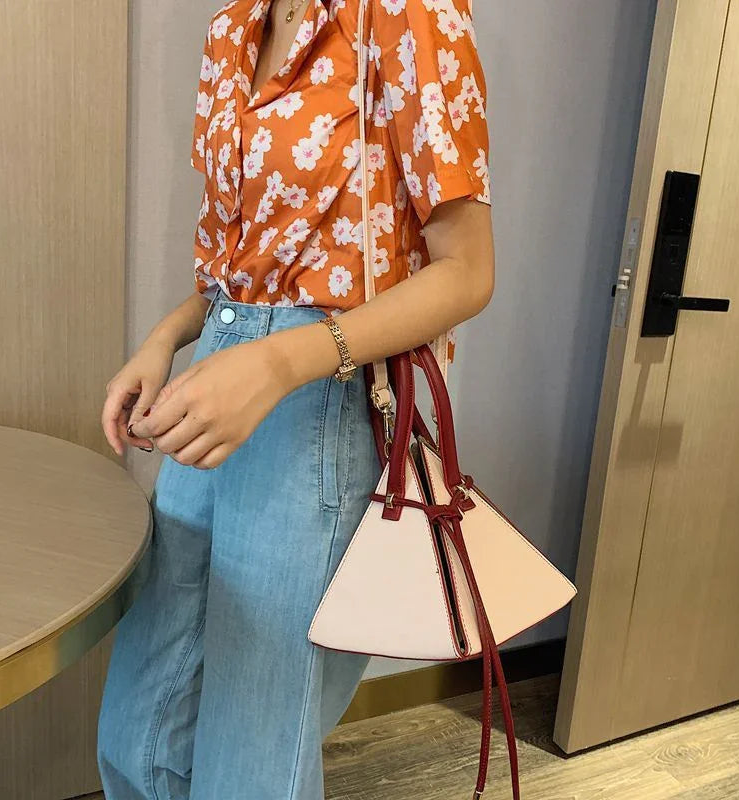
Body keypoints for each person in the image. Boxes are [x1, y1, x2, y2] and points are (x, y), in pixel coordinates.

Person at [96, 0, 493, 797]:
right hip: (215, 378)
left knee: (253, 755)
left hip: (320, 394)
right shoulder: (232, 26)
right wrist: (165, 339)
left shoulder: (407, 13)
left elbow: (467, 271)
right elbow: (230, 274)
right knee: (137, 728)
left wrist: (278, 365)